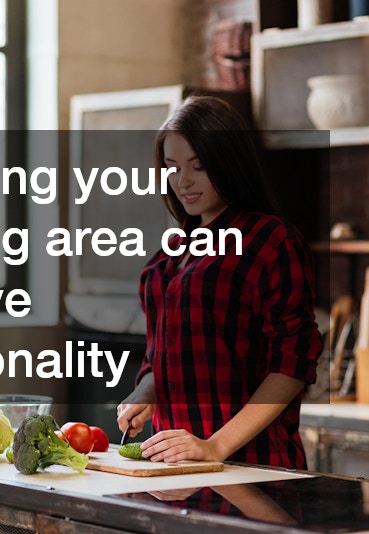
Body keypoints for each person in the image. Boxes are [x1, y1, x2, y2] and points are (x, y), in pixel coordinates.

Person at [116, 96, 322, 470]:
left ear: (228, 163)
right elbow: (161, 351)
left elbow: (292, 364)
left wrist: (215, 446)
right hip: (175, 468)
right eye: (172, 167)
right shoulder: (170, 254)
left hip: (253, 466)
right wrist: (148, 389)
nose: (183, 181)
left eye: (199, 166)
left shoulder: (271, 240)